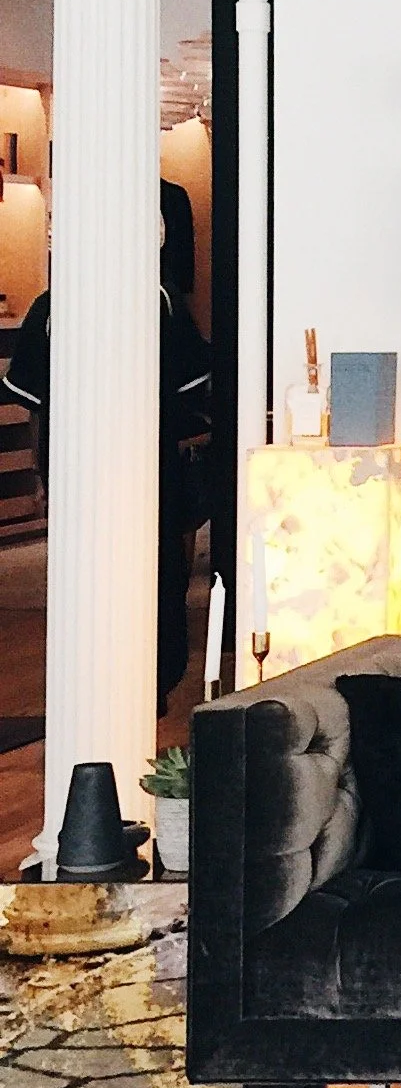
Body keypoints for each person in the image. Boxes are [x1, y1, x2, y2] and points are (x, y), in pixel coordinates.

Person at [5, 180, 214, 713]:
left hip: (73, 458)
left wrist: (40, 472)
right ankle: (153, 683)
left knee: (84, 573)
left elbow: (33, 403)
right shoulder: (159, 302)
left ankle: (93, 682)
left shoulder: (50, 307)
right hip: (147, 461)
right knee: (158, 568)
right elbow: (192, 386)